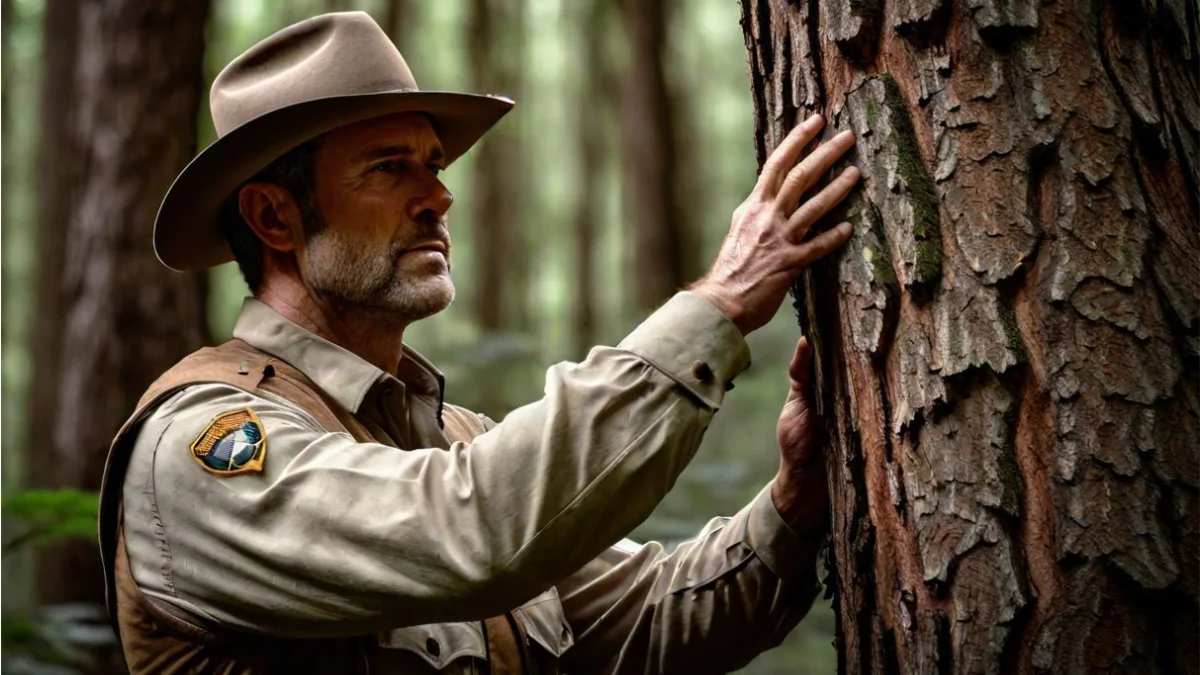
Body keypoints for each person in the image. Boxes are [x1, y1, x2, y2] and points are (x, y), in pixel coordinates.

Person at [97, 11, 861, 674]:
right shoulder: (199, 448)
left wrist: (793, 507)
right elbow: (470, 533)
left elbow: (643, 623)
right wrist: (719, 302)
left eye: (431, 164)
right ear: (274, 218)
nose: (438, 196)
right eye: (388, 168)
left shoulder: (453, 441)